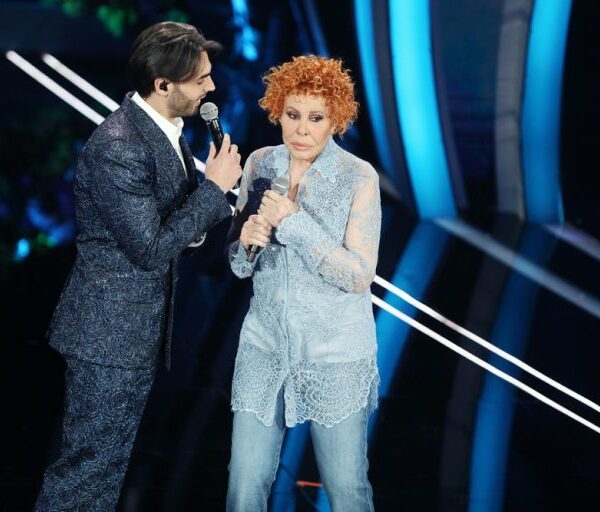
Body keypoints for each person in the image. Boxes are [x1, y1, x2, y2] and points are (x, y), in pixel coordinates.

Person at [35, 22, 241, 511]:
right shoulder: (120, 145)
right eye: (200, 79)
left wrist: (207, 210)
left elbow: (171, 229)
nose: (211, 87)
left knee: (105, 465)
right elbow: (148, 248)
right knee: (87, 468)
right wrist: (214, 190)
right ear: (163, 84)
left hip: (132, 333)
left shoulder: (166, 132)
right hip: (108, 334)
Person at [226, 55, 381, 512]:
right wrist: (247, 243)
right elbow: (238, 266)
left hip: (334, 354)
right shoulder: (260, 164)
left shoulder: (358, 176)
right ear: (278, 111)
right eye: (292, 115)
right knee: (244, 483)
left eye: (316, 118)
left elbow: (358, 275)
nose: (301, 130)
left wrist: (293, 223)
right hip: (264, 346)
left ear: (336, 119)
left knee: (346, 489)